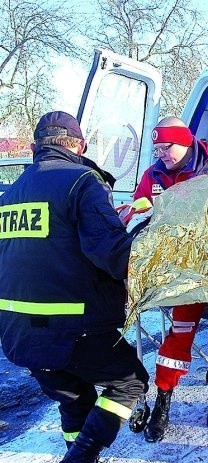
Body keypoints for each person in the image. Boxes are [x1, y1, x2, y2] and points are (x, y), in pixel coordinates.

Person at [0, 111, 149, 463]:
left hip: (16, 333)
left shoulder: (9, 195)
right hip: (73, 327)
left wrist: (109, 221)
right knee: (130, 382)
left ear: (36, 147)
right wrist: (146, 233)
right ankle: (81, 456)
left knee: (75, 396)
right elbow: (112, 254)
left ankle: (77, 450)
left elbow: (48, 243)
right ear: (79, 146)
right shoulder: (82, 181)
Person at [138, 116, 208, 442]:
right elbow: (141, 207)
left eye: (167, 147)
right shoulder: (154, 176)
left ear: (186, 142)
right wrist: (136, 215)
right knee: (180, 331)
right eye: (157, 148)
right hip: (183, 270)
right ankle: (163, 399)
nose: (162, 154)